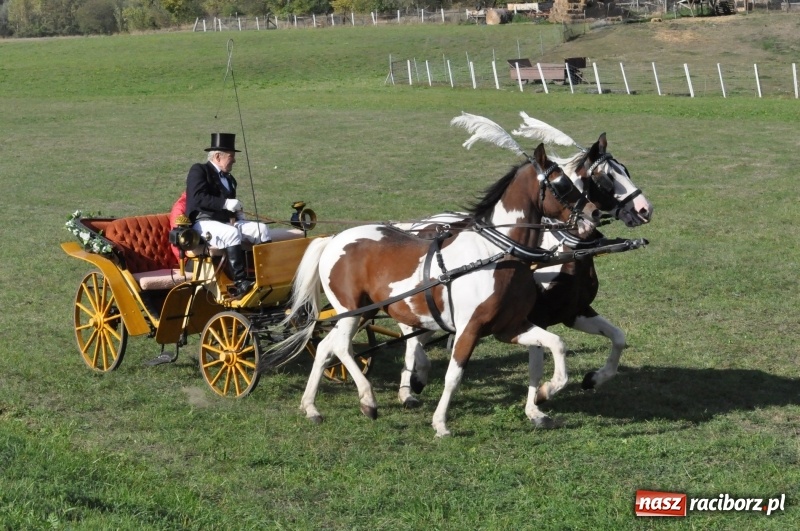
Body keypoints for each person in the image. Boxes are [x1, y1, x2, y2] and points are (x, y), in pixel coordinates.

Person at [185, 133, 270, 297]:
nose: (234, 160)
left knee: (261, 229)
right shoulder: (199, 170)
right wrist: (224, 203)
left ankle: (266, 274)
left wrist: (238, 214)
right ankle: (240, 282)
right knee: (231, 234)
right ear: (218, 156)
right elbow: (198, 198)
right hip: (203, 223)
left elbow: (230, 207)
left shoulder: (230, 179)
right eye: (231, 156)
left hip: (226, 222)